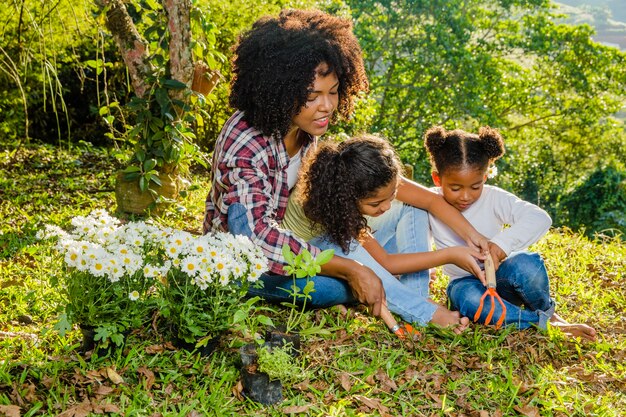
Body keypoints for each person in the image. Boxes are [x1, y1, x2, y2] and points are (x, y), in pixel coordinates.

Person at [203, 9, 488, 333]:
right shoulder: (246, 143)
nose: (326, 106)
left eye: (333, 91)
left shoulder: (307, 129)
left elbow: (417, 196)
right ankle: (402, 299)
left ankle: (411, 298)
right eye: (312, 96)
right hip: (255, 265)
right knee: (332, 286)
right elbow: (254, 239)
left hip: (311, 241)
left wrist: (472, 237)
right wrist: (350, 269)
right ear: (279, 89)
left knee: (408, 211)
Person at [292, 134, 489, 333]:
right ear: (347, 198)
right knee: (347, 247)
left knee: (415, 206)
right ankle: (424, 312)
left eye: (392, 195)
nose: (387, 207)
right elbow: (386, 261)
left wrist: (473, 236)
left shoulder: (373, 174)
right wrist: (450, 255)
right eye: (376, 203)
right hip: (312, 252)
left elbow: (431, 201)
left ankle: (417, 295)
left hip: (352, 242)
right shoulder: (337, 205)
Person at [423, 125, 597, 340]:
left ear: (485, 178)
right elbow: (421, 243)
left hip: (502, 277)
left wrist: (500, 247)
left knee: (527, 263)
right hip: (464, 283)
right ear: (437, 179)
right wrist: (428, 272)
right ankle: (541, 323)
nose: (465, 196)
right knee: (469, 299)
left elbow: (540, 218)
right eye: (455, 188)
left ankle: (547, 312)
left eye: (475, 187)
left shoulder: (494, 198)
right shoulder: (429, 202)